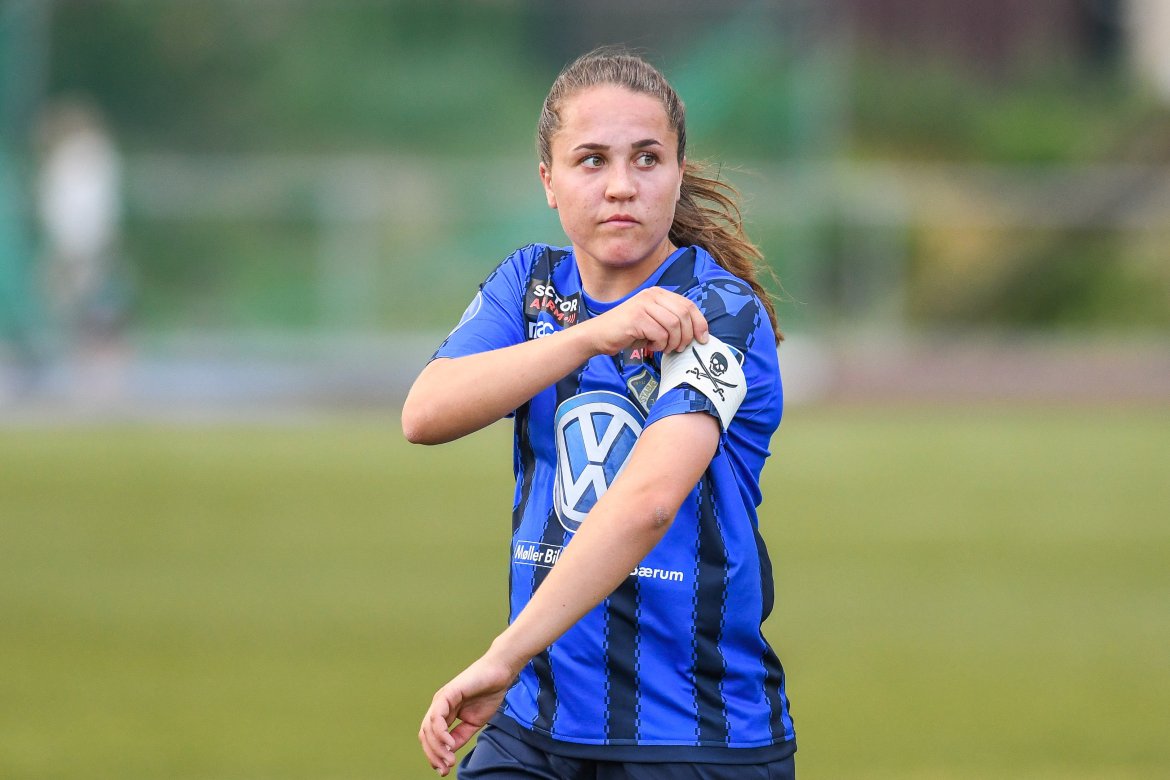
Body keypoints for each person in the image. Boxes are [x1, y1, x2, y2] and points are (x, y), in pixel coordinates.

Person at [404, 47, 795, 779]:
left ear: (677, 174)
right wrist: (591, 335)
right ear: (548, 181)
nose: (621, 185)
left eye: (647, 159)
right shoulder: (529, 285)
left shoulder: (719, 310)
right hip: (534, 726)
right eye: (591, 160)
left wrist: (504, 654)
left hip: (695, 737)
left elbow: (648, 504)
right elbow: (425, 413)